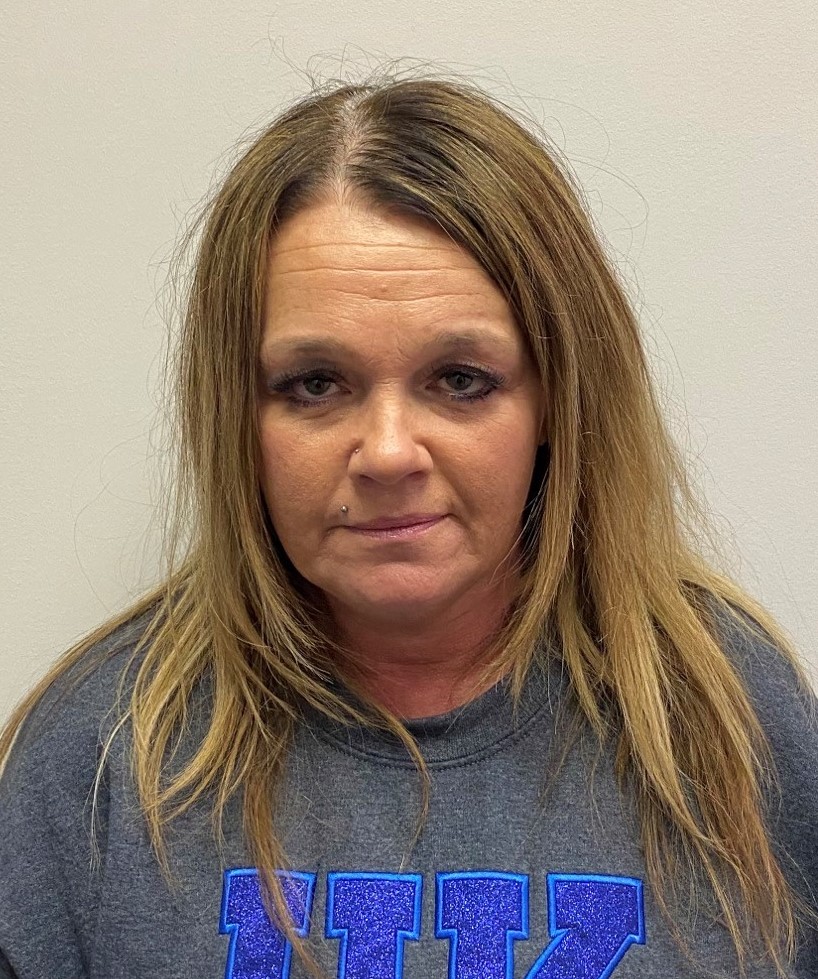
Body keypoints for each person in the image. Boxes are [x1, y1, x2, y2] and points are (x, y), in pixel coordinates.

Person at [1, 69, 816, 979]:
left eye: (460, 379)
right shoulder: (99, 756)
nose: (388, 453)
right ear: (236, 413)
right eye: (316, 384)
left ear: (557, 401)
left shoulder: (730, 715)